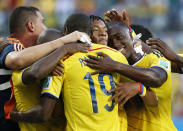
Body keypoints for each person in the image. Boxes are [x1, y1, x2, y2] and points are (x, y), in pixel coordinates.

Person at [10, 13, 129, 131]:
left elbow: (47, 113)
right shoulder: (116, 56)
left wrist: (13, 115)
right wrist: (138, 87)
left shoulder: (62, 63)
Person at [0, 6, 90, 131]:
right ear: (31, 26)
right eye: (43, 22)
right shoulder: (13, 45)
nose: (46, 28)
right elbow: (17, 61)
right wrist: (63, 43)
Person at [84, 21, 177, 131]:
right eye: (110, 41)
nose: (115, 43)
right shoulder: (110, 67)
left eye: (119, 37)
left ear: (131, 36)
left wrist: (116, 67)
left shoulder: (155, 58)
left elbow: (157, 78)